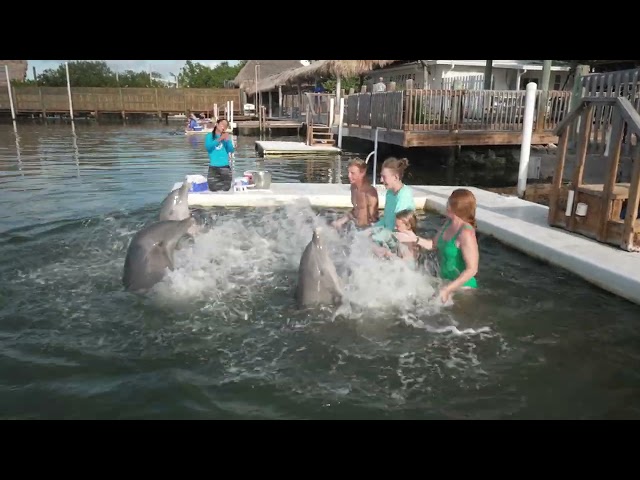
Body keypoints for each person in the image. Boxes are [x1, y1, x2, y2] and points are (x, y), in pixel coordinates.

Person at [396, 188, 479, 303]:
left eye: (449, 201)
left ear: (456, 207)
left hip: (462, 289)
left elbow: (472, 269)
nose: (446, 204)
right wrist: (414, 238)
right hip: (444, 282)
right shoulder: (448, 223)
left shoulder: (466, 233)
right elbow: (433, 244)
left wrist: (448, 289)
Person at [369, 157, 415, 249]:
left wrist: (376, 237)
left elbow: (398, 226)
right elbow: (386, 220)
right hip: (389, 235)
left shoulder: (404, 195)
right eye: (381, 176)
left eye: (384, 177)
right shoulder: (389, 193)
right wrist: (371, 230)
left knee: (369, 243)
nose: (381, 180)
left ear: (395, 177)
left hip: (401, 240)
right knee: (363, 236)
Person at [332, 158, 379, 230]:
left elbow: (374, 218)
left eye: (352, 173)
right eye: (348, 172)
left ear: (362, 173)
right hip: (356, 227)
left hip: (366, 230)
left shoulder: (370, 192)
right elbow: (357, 209)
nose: (349, 176)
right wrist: (342, 220)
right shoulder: (353, 187)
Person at [204, 118, 235, 191]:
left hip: (225, 167)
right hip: (213, 167)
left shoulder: (226, 137)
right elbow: (208, 147)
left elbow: (231, 150)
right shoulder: (209, 136)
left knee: (226, 189)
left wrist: (227, 141)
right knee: (213, 189)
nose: (223, 127)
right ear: (217, 124)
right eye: (222, 124)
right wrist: (220, 139)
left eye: (226, 126)